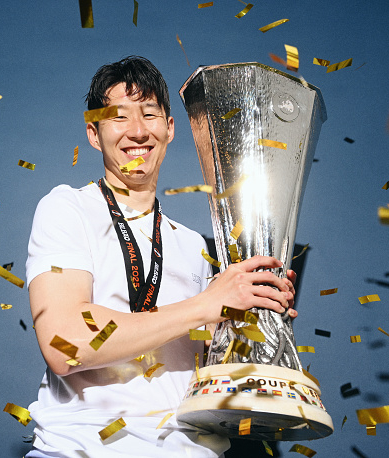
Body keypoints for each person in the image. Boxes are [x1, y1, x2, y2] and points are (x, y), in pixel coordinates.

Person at [25, 56, 298, 458]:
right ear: (94, 133)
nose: (138, 130)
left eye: (150, 114)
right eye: (118, 116)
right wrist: (207, 303)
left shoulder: (194, 246)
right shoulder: (67, 209)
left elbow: (210, 376)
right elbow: (65, 344)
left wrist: (253, 319)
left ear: (169, 128)